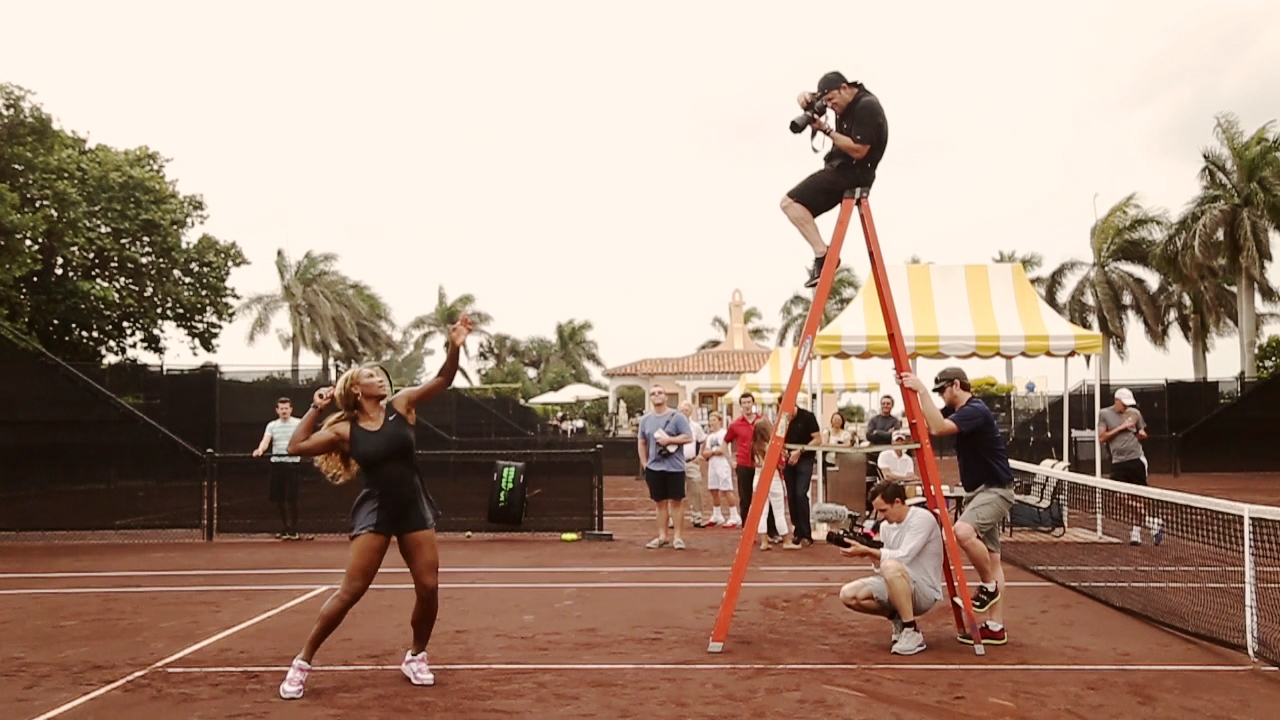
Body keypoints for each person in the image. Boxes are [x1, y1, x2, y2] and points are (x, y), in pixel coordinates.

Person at [276, 314, 472, 700]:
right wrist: (315, 408)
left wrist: (454, 346)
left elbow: (443, 380)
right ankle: (302, 662)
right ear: (356, 388)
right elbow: (295, 447)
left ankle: (416, 655)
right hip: (377, 511)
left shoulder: (403, 406)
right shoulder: (344, 430)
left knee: (429, 587)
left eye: (382, 375)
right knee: (351, 591)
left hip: (414, 507)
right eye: (371, 376)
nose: (380, 378)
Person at [900, 367, 1011, 646]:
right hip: (978, 492)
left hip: (995, 490)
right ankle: (996, 626)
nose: (940, 395)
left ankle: (988, 586)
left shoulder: (975, 410)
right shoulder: (959, 412)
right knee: (994, 558)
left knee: (961, 532)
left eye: (942, 390)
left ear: (957, 385)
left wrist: (921, 390)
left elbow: (938, 428)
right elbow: (931, 425)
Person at [781, 71, 889, 288]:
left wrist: (825, 129)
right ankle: (822, 253)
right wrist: (805, 97)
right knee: (793, 207)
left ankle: (823, 254)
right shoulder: (844, 98)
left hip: (853, 173)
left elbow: (859, 151)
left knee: (789, 202)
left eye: (831, 101)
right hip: (838, 168)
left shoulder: (866, 106)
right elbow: (814, 96)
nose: (829, 106)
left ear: (845, 89)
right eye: (825, 101)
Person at [838, 480, 944, 655]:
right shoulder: (887, 527)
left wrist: (870, 550)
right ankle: (900, 620)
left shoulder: (922, 519)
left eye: (883, 510)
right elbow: (882, 568)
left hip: (924, 591)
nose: (880, 516)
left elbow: (904, 556)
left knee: (890, 566)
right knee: (848, 595)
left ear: (897, 502)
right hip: (898, 582)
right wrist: (869, 553)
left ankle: (912, 631)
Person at [1099, 388, 1163, 546]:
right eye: (1124, 404)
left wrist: (1142, 435)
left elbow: (1142, 431)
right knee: (1119, 496)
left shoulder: (1135, 413)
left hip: (1136, 459)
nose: (1126, 407)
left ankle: (1136, 531)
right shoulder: (1105, 414)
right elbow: (1102, 437)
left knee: (1139, 496)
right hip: (1118, 462)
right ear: (1117, 401)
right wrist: (1122, 427)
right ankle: (1151, 522)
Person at [638, 386, 693, 550]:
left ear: (666, 396)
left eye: (660, 392)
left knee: (676, 502)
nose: (656, 396)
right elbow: (641, 441)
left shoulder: (678, 417)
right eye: (653, 393)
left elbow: (688, 437)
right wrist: (644, 463)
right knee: (659, 503)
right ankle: (662, 536)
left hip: (675, 467)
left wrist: (670, 441)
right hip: (654, 468)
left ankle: (677, 537)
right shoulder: (646, 420)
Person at [724, 393, 779, 539]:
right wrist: (731, 460)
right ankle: (747, 531)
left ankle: (771, 531)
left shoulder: (763, 421)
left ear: (753, 403)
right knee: (745, 497)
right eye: (744, 403)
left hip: (762, 464)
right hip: (744, 464)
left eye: (749, 402)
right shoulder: (735, 424)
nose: (747, 405)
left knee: (769, 495)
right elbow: (725, 442)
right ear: (741, 405)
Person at [252, 397, 303, 540]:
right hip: (277, 465)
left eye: (286, 408)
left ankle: (293, 529)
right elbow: (265, 441)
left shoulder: (299, 423)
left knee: (292, 498)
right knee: (279, 498)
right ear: (277, 410)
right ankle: (286, 528)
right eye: (281, 409)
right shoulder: (272, 425)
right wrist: (260, 450)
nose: (284, 411)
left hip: (292, 464)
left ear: (291, 409)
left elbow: (306, 439)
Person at [782, 397, 822, 550]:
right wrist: (785, 452)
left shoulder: (807, 417)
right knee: (791, 495)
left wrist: (800, 450)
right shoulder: (782, 419)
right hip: (788, 460)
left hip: (805, 459)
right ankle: (797, 530)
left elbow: (818, 439)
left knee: (800, 493)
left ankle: (806, 533)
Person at [750, 417, 793, 551]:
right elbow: (780, 463)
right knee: (779, 511)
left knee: (762, 511)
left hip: (758, 477)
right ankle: (786, 540)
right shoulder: (772, 445)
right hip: (772, 478)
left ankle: (764, 541)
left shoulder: (754, 446)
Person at [701, 411, 742, 528]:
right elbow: (705, 453)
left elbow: (722, 450)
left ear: (719, 421)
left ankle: (734, 516)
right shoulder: (709, 437)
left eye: (714, 420)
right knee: (713, 489)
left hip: (723, 463)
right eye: (710, 420)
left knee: (726, 489)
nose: (711, 423)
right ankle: (717, 514)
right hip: (712, 464)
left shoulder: (724, 433)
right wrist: (713, 451)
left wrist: (714, 451)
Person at [678, 401, 709, 528]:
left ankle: (697, 517)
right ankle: (672, 518)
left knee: (696, 490)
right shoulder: (672, 425)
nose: (684, 412)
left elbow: (703, 441)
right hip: (676, 462)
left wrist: (699, 455)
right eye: (682, 410)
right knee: (675, 492)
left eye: (686, 410)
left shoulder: (695, 426)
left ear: (690, 411)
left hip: (691, 462)